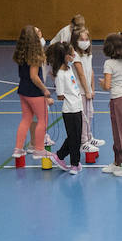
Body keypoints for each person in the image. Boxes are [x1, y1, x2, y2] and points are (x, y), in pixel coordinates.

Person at [11, 25, 53, 163]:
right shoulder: (34, 54)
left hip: (23, 90)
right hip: (34, 92)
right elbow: (34, 76)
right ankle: (39, 149)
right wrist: (44, 90)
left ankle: (18, 149)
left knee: (26, 119)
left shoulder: (21, 53)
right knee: (43, 119)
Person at [46, 40, 85, 173]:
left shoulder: (69, 69)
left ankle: (59, 156)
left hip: (78, 107)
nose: (74, 57)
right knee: (74, 139)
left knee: (76, 137)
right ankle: (74, 164)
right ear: (65, 56)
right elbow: (60, 95)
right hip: (69, 110)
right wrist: (70, 96)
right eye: (72, 55)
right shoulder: (60, 75)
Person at [100, 31, 122, 177]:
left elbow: (107, 86)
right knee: (121, 132)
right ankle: (117, 163)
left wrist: (102, 83)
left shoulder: (109, 63)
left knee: (120, 134)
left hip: (118, 100)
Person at [74, 26, 104, 158]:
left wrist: (92, 88)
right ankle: (83, 141)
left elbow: (90, 71)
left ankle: (89, 136)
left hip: (87, 90)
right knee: (83, 117)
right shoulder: (75, 55)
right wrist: (86, 90)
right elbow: (80, 74)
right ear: (76, 41)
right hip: (80, 91)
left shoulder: (88, 54)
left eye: (87, 39)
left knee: (89, 113)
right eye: (82, 39)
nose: (85, 41)